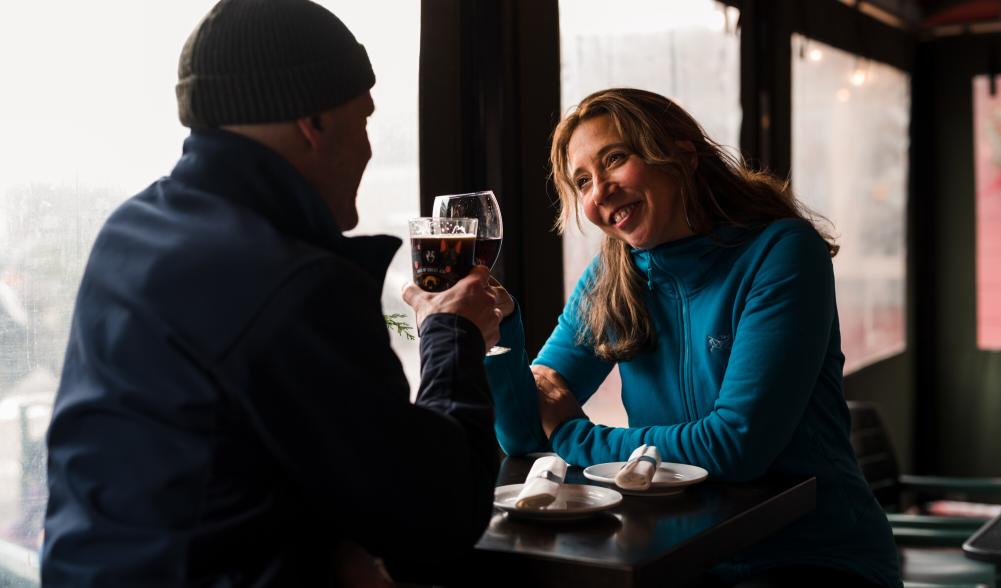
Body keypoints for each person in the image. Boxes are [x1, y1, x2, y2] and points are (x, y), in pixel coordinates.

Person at [42, 1, 502, 585]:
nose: (367, 148)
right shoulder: (289, 283)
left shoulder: (131, 232)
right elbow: (439, 516)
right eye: (363, 122)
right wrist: (450, 333)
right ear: (314, 124)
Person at [466, 88, 902, 588]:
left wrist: (570, 435)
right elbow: (523, 433)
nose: (598, 192)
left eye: (614, 159)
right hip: (680, 555)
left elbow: (735, 446)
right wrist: (502, 336)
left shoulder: (781, 253)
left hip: (812, 555)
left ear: (682, 156)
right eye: (581, 181)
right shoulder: (613, 275)